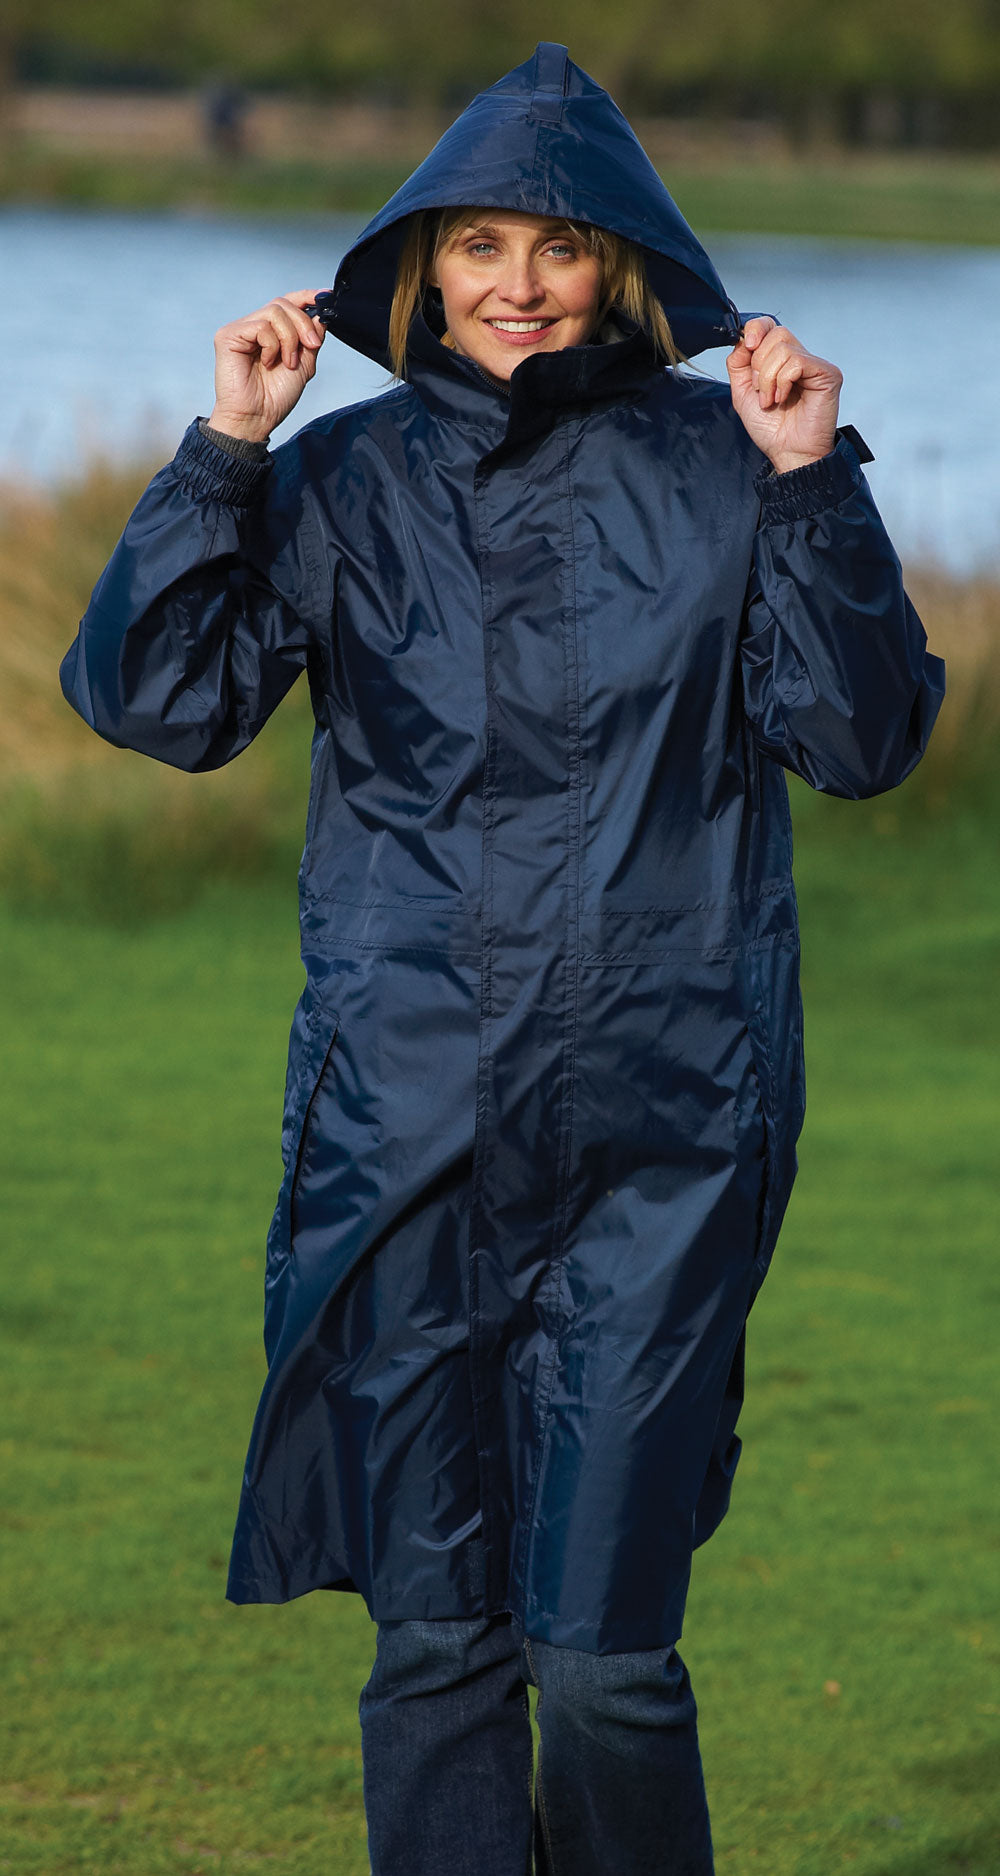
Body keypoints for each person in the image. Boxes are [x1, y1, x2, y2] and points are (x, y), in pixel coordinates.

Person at [61, 42, 945, 1876]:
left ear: (621, 264)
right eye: (481, 246)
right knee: (439, 1641)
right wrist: (226, 449)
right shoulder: (344, 483)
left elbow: (863, 740)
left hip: (663, 1139)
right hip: (409, 1130)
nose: (520, 285)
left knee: (607, 1660)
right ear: (425, 263)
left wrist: (810, 486)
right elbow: (156, 700)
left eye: (558, 246)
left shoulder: (732, 469)